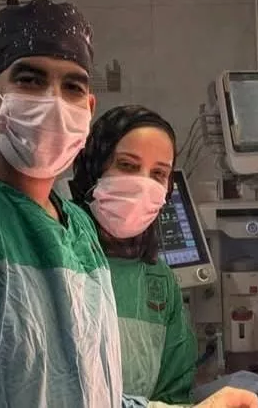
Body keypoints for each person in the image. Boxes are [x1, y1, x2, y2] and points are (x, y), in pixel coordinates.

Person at [0, 0, 258, 408]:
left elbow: (92, 396)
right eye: (30, 80)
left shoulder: (76, 231)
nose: (55, 102)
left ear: (89, 107)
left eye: (72, 86)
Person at [68, 105, 198, 404]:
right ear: (93, 169)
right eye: (127, 166)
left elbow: (174, 394)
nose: (142, 184)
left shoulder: (158, 280)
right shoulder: (58, 260)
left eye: (158, 174)